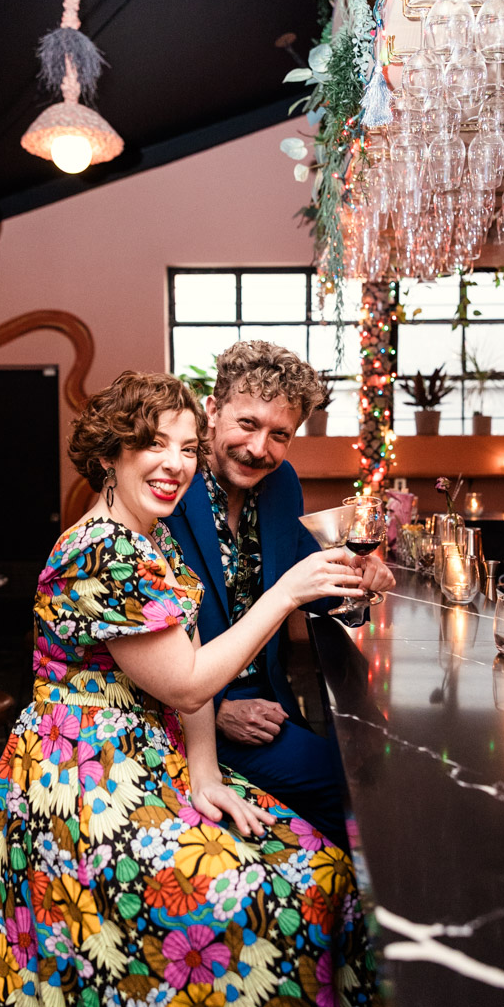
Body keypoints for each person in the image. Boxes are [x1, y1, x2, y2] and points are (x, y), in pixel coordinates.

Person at [0, 370, 376, 1007]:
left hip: (155, 757)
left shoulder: (152, 539)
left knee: (326, 870)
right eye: (153, 444)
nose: (175, 464)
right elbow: (188, 683)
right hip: (83, 780)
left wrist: (205, 776)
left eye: (185, 447)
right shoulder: (98, 551)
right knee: (272, 904)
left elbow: (192, 664)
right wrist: (285, 592)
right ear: (108, 456)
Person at [164, 341, 395, 851]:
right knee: (365, 797)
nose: (259, 449)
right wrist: (217, 706)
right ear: (211, 411)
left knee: (371, 779)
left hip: (269, 702)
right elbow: (138, 626)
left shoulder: (281, 482)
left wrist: (355, 577)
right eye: (246, 423)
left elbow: (300, 588)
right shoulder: (166, 487)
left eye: (280, 435)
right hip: (185, 715)